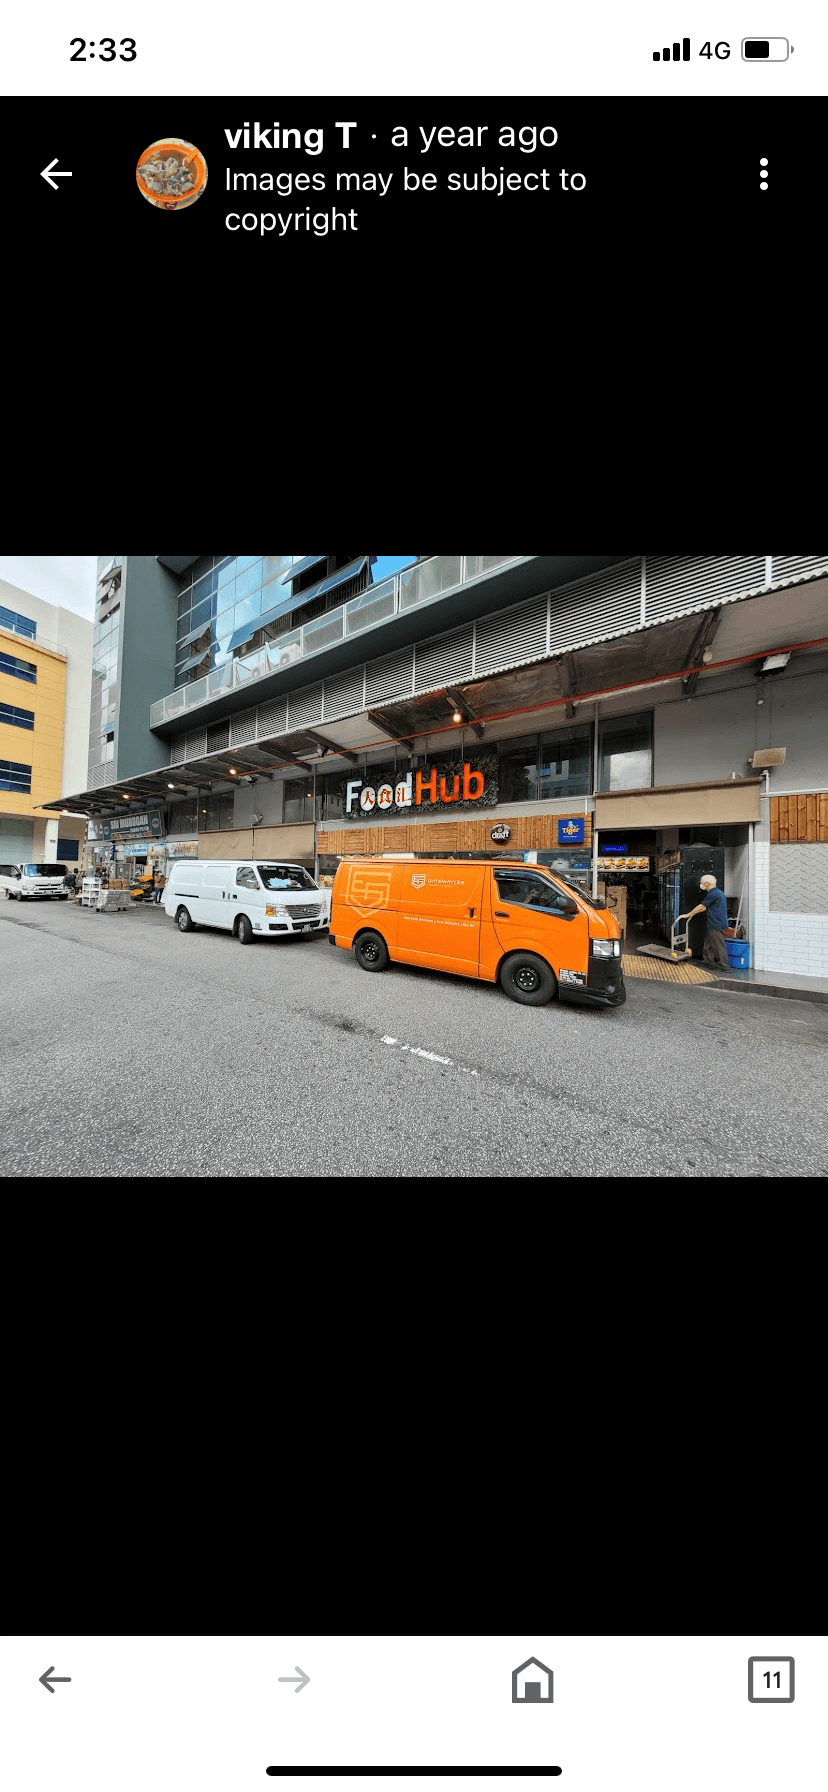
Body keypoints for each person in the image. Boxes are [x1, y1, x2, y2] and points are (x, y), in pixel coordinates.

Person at [677, 874, 730, 969]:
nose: (700, 884)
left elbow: (702, 906)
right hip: (714, 922)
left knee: (718, 944)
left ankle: (723, 965)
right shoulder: (718, 892)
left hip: (716, 923)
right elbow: (706, 908)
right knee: (708, 944)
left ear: (706, 883)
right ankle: (708, 961)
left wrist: (688, 914)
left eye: (701, 882)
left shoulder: (713, 893)